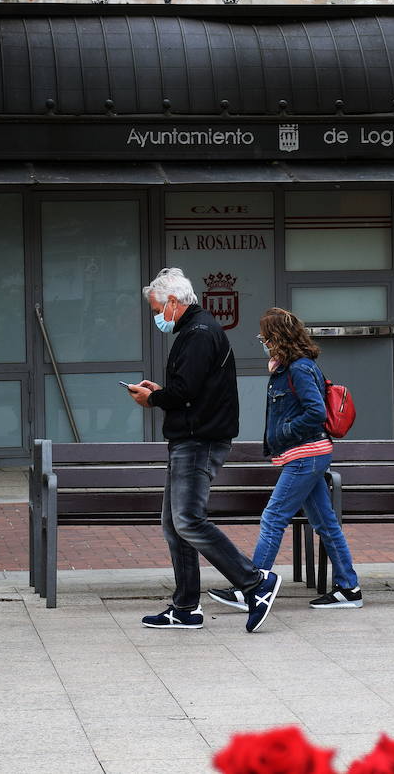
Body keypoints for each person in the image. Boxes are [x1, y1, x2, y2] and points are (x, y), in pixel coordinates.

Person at [125, 267, 282, 634]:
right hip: (195, 435)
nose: (156, 317)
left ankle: (255, 583)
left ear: (174, 302)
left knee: (188, 520)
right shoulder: (200, 329)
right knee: (174, 524)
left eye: (157, 309)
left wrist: (154, 398)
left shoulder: (197, 333)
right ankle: (184, 608)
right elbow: (191, 387)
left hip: (198, 439)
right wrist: (163, 391)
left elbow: (186, 391)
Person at [208, 308, 363, 612]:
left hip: (306, 456)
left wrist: (286, 431)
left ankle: (252, 587)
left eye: (264, 335)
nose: (261, 340)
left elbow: (316, 412)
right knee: (326, 523)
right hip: (309, 455)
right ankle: (349, 588)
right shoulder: (287, 368)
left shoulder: (299, 369)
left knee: (273, 517)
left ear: (276, 337)